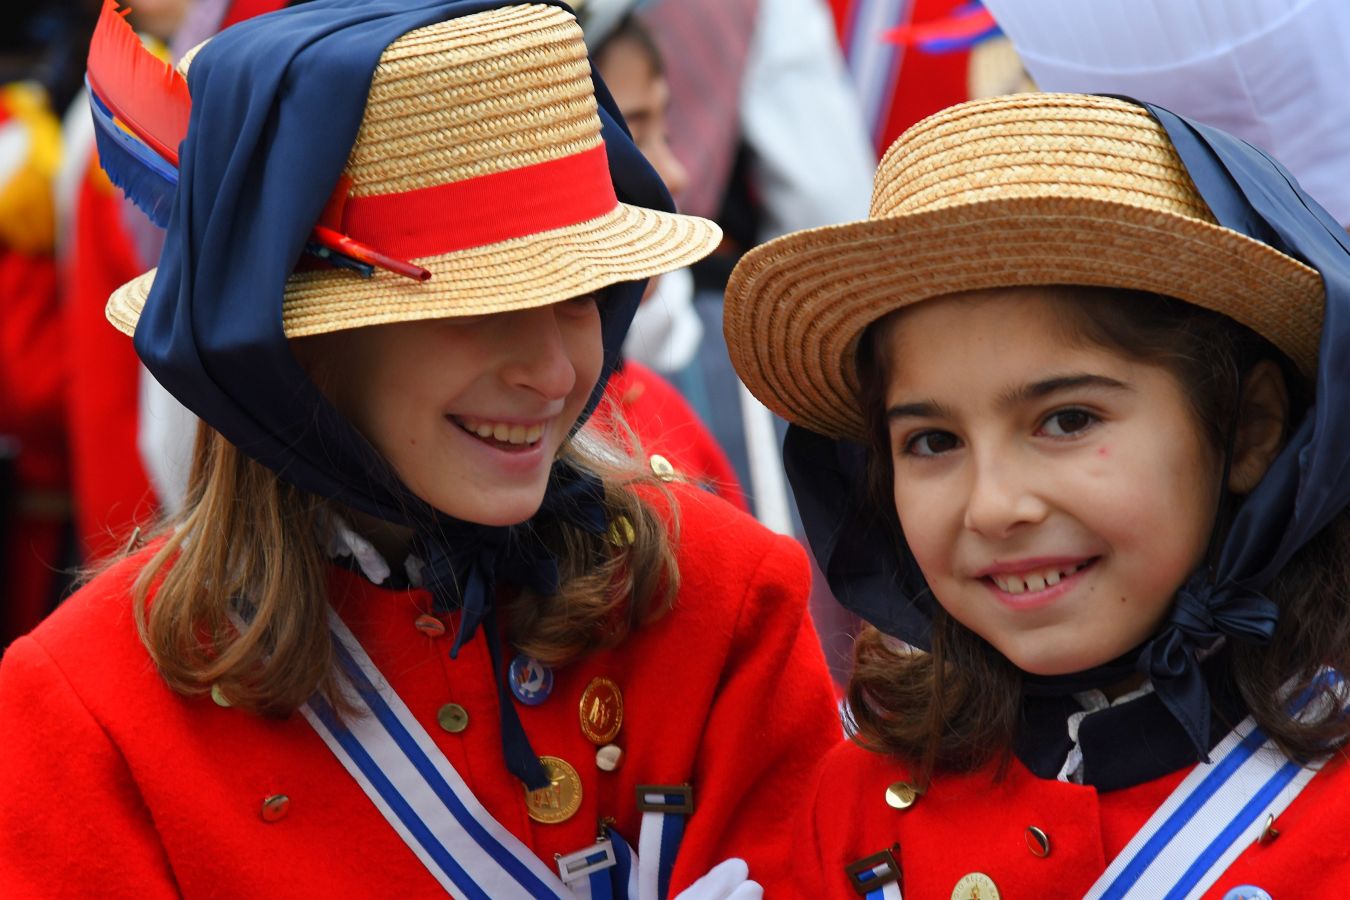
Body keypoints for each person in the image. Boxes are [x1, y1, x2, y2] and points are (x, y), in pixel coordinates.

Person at [0, 2, 840, 897]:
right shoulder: (95, 715)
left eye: (581, 295)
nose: (555, 372)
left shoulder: (723, 603)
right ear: (303, 341)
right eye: (483, 309)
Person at [724, 91, 1350, 896]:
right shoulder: (858, 809)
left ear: (1250, 427)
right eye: (933, 441)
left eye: (1066, 420)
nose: (993, 506)